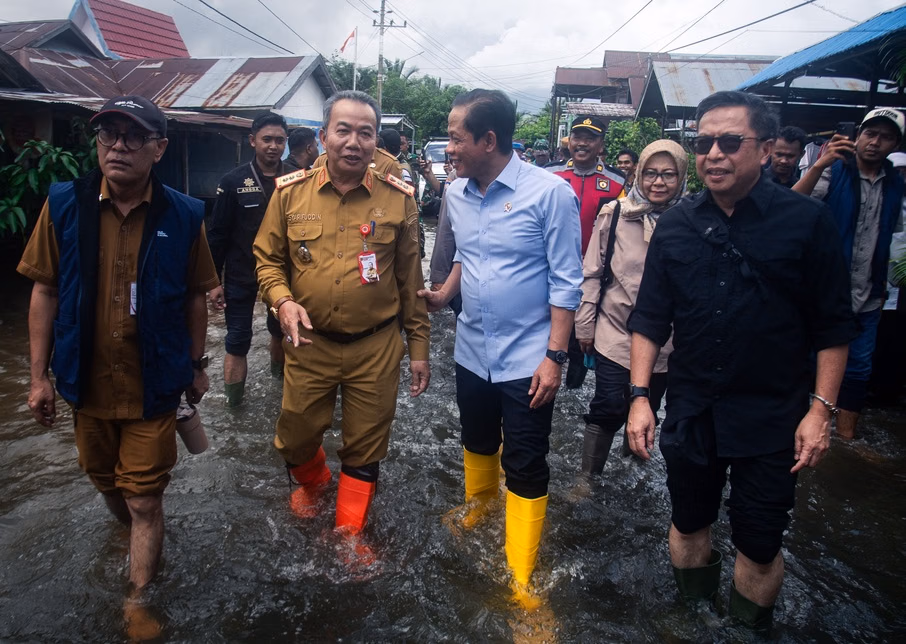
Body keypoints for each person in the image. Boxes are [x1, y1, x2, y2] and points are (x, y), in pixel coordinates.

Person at [627, 90, 857, 633]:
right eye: (704, 142)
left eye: (730, 142)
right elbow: (650, 320)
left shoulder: (806, 222)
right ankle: (692, 619)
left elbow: (833, 326)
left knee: (759, 542)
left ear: (766, 148)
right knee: (688, 524)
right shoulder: (678, 225)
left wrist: (820, 411)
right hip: (692, 407)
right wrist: (639, 398)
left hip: (773, 415)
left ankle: (748, 630)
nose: (714, 154)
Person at [17, 95, 218, 594]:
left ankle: (139, 602)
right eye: (108, 134)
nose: (119, 146)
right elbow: (44, 290)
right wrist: (39, 377)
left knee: (146, 497)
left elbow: (196, 298)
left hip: (154, 380)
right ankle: (133, 532)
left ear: (160, 148)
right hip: (86, 378)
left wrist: (197, 365)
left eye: (133, 137)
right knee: (104, 479)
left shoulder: (186, 215)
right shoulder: (64, 203)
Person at [419, 89, 582, 609]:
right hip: (472, 349)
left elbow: (566, 281)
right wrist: (443, 294)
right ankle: (479, 507)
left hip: (529, 357)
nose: (449, 148)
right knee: (477, 437)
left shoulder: (550, 193)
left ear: (489, 140)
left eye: (455, 136)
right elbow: (471, 255)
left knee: (528, 460)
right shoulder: (457, 193)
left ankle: (522, 579)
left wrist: (555, 358)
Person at [254, 90, 430, 537]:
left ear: (376, 144)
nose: (354, 142)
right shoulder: (289, 194)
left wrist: (419, 348)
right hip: (310, 343)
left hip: (376, 345)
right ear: (324, 136)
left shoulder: (399, 199)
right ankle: (314, 482)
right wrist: (282, 300)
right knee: (294, 439)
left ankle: (349, 535)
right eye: (343, 130)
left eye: (365, 133)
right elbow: (267, 259)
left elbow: (411, 281)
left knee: (365, 445)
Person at [574, 140, 687, 475]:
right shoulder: (616, 213)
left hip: (665, 338)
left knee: (648, 407)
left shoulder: (690, 219)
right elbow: (593, 271)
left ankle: (631, 475)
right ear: (638, 173)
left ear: (682, 177)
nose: (658, 182)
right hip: (616, 328)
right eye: (650, 173)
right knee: (609, 404)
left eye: (668, 175)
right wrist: (585, 324)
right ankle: (588, 478)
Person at [793, 108, 905, 439]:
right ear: (858, 136)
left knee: (858, 370)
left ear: (895, 143)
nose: (875, 142)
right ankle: (800, 431)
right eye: (870, 134)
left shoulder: (895, 183)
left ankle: (846, 440)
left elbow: (895, 235)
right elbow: (791, 205)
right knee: (807, 364)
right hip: (822, 292)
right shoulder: (836, 171)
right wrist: (819, 164)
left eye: (885, 137)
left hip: (868, 294)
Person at [207, 112, 290, 404]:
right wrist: (214, 280)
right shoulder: (233, 181)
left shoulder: (296, 178)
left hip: (282, 275)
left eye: (279, 140)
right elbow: (217, 234)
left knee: (282, 332)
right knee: (237, 340)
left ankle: (279, 388)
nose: (273, 146)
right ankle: (234, 406)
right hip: (241, 273)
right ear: (253, 141)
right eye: (267, 139)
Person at [548, 115, 626, 389]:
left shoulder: (617, 182)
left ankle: (572, 388)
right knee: (547, 333)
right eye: (578, 137)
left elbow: (623, 233)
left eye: (590, 138)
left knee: (582, 340)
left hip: (593, 276)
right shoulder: (550, 174)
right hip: (550, 271)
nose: (582, 144)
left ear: (601, 144)